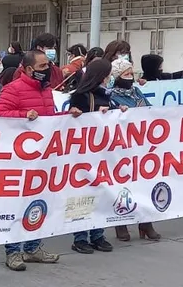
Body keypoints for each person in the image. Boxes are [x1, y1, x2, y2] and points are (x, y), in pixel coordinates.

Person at [0, 50, 61, 271]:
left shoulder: (46, 89)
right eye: (42, 66)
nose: (48, 69)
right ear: (29, 69)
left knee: (39, 202)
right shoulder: (13, 89)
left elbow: (49, 119)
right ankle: (13, 251)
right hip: (18, 159)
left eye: (48, 65)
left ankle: (32, 248)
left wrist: (69, 117)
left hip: (41, 158)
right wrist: (23, 115)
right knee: (16, 204)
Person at [66, 58, 121, 254]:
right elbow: (76, 119)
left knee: (101, 191)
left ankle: (98, 234)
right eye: (108, 75)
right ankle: (80, 237)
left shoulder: (107, 95)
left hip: (102, 152)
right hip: (84, 153)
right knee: (82, 194)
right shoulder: (80, 95)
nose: (110, 78)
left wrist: (118, 112)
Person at [104, 58, 163, 241]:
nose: (130, 77)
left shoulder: (136, 92)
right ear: (117, 76)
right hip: (122, 147)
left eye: (131, 73)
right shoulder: (110, 95)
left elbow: (149, 109)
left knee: (144, 184)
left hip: (142, 145)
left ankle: (145, 222)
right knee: (123, 186)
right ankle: (121, 223)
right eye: (126, 74)